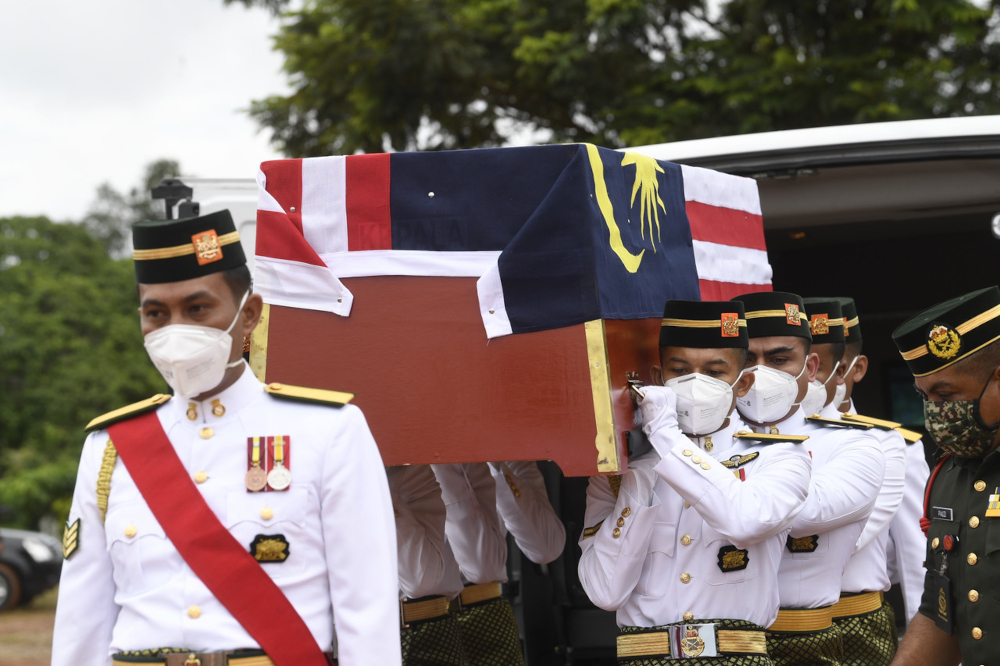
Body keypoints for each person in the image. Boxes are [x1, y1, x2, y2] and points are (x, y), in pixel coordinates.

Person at [51, 210, 401, 666]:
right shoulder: (110, 446)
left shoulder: (330, 429)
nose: (175, 329)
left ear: (249, 314)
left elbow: (367, 612)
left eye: (197, 309)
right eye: (156, 313)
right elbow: (82, 618)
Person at [578, 299, 812, 665]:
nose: (696, 383)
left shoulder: (780, 457)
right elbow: (604, 592)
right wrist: (639, 479)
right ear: (658, 379)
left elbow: (744, 521)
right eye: (681, 369)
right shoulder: (620, 471)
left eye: (715, 372)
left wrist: (666, 437)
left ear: (742, 383)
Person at [731, 292, 885, 666]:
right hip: (722, 644)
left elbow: (790, 516)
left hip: (802, 642)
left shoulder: (852, 445)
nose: (761, 372)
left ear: (811, 367)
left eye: (780, 359)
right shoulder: (704, 447)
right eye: (748, 359)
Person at [890, 286, 1000, 666]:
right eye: (926, 398)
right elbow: (941, 613)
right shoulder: (948, 475)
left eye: (947, 395)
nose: (936, 414)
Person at [801, 298, 906, 666]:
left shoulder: (884, 441)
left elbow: (910, 551)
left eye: (818, 365)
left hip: (853, 619)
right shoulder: (750, 439)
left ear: (849, 368)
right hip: (769, 620)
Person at [829, 298, 929, 627]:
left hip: (858, 618)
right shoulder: (769, 442)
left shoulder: (895, 445)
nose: (817, 376)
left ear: (857, 368)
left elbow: (917, 558)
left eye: (835, 365)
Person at [389, 465, 468, 666]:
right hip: (355, 637)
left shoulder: (409, 469)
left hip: (425, 634)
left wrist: (371, 484)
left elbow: (419, 580)